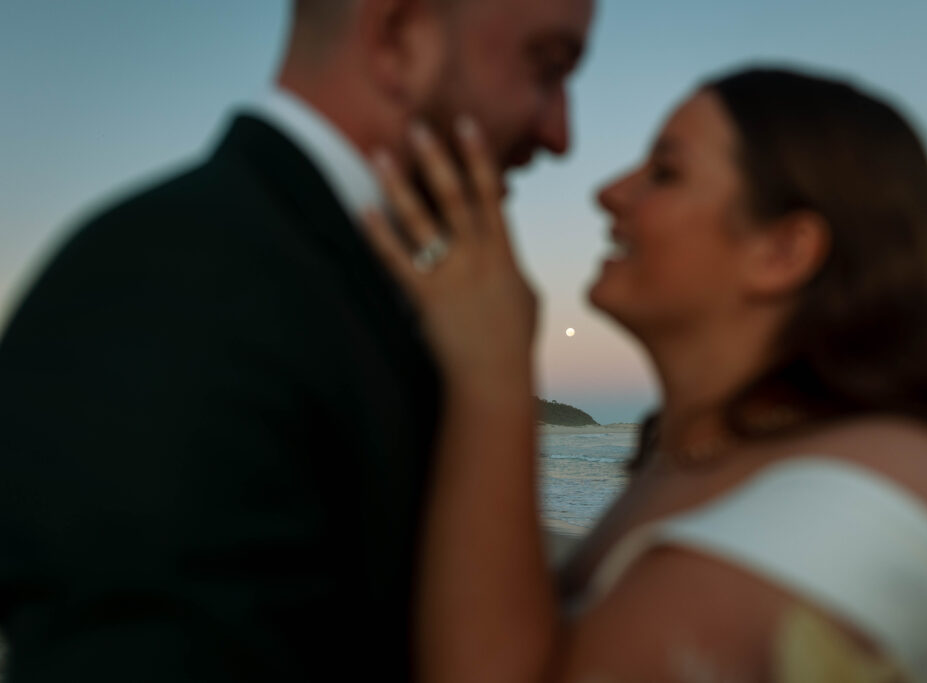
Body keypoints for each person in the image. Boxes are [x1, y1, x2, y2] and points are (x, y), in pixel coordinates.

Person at [363, 67, 927, 682]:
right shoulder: (682, 460)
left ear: (782, 251)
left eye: (665, 172)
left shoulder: (878, 485)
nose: (610, 191)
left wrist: (493, 372)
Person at [0, 1, 593, 681]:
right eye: (545, 67)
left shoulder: (364, 288)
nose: (560, 134)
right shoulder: (165, 282)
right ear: (400, 40)